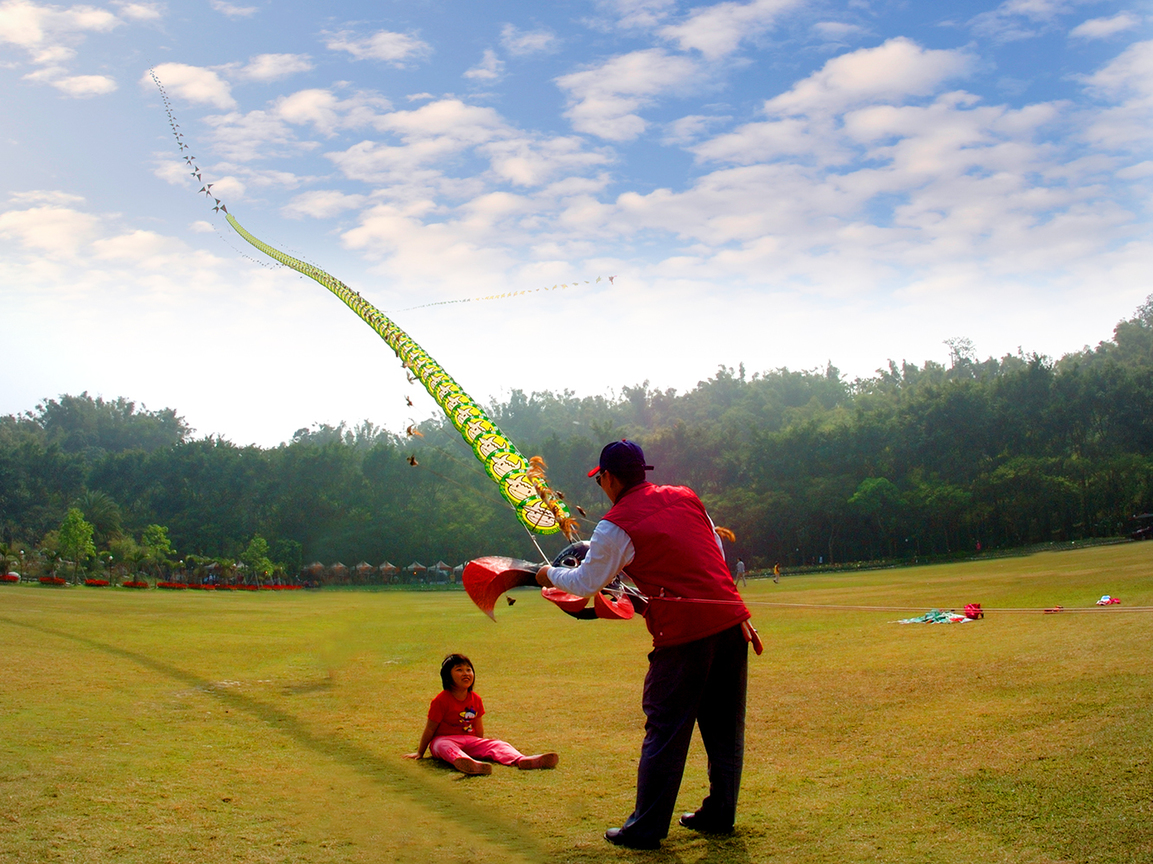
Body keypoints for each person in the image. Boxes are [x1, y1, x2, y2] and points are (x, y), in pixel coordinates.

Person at [537, 440, 752, 850]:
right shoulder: (686, 496)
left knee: (666, 730)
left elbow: (584, 583)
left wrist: (547, 573)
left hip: (683, 638)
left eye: (600, 478)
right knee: (725, 727)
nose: (601, 485)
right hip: (731, 622)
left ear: (611, 478)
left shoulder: (615, 525)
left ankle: (647, 828)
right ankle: (721, 812)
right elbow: (715, 551)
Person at [405, 653, 559, 775]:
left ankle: (522, 760)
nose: (466, 673)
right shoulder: (441, 700)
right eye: (459, 670)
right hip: (444, 740)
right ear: (447, 677)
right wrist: (420, 752)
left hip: (469, 740)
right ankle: (466, 762)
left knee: (498, 744)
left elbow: (478, 727)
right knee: (443, 745)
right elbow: (430, 729)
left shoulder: (475, 699)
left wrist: (480, 747)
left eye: (468, 670)